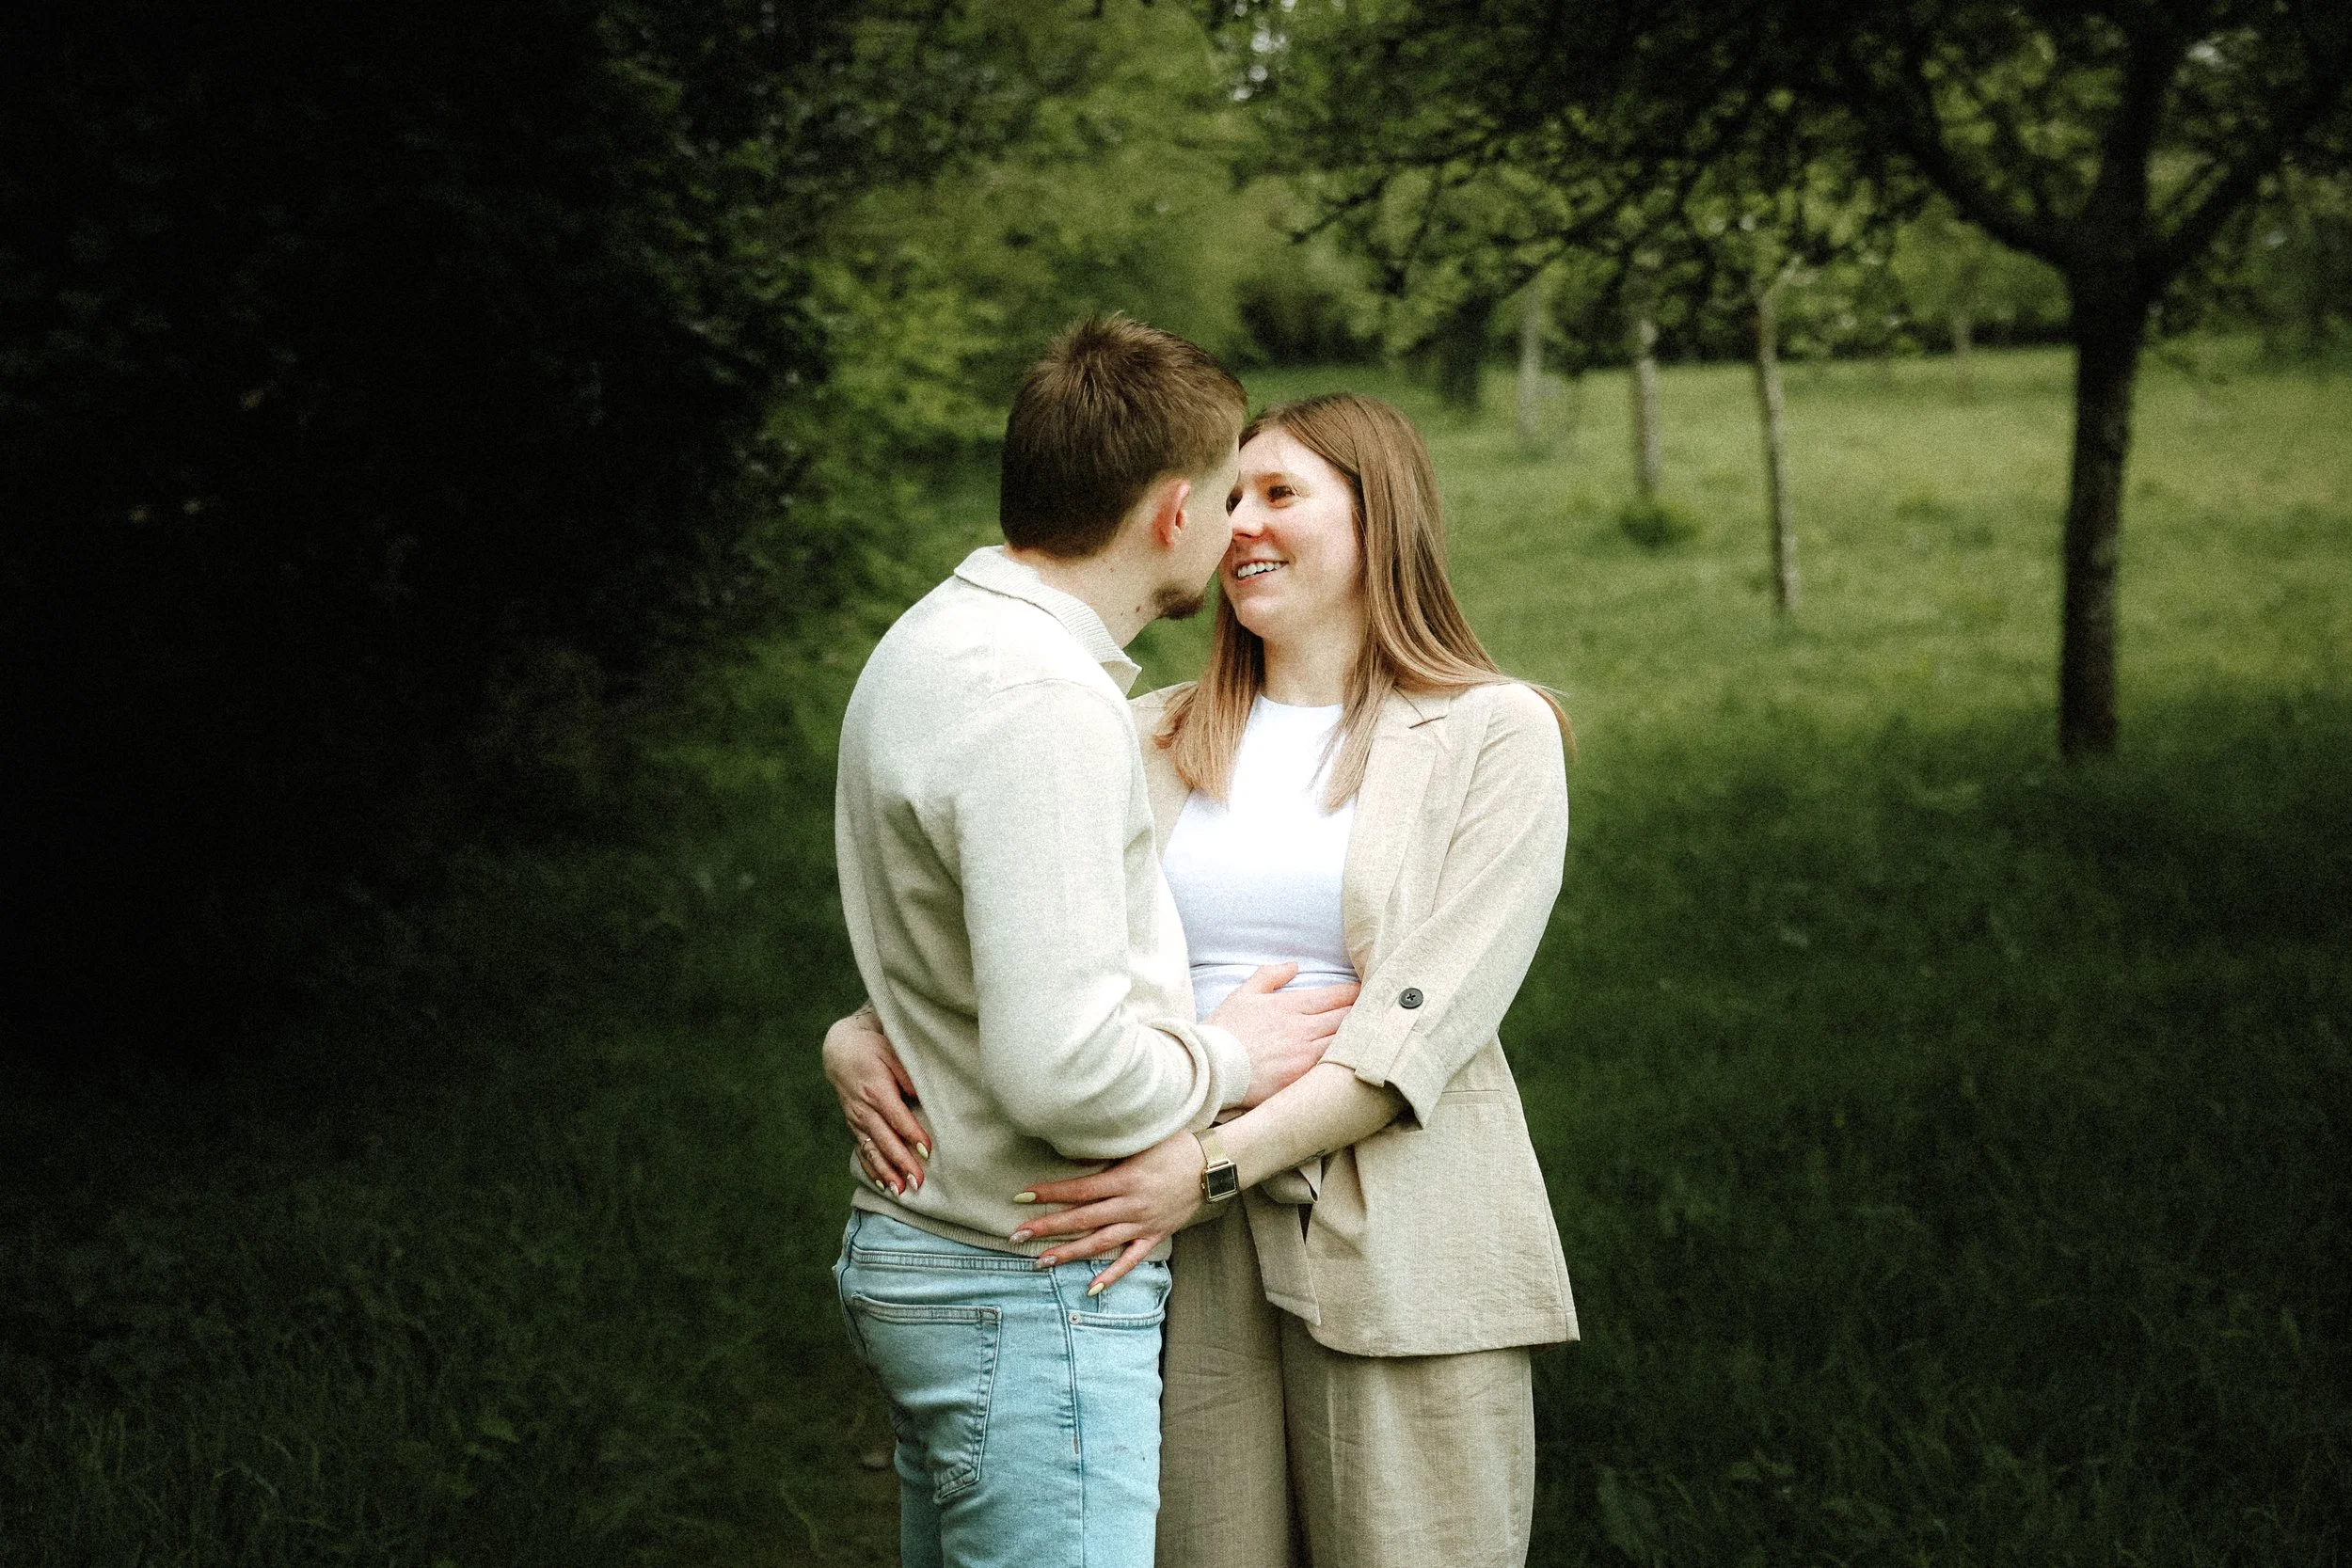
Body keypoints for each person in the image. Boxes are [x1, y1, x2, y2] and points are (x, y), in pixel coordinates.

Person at [833, 391, 1577, 1567]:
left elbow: (1414, 1035)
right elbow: (1029, 941)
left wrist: (1207, 1164)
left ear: (1382, 520)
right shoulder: (1139, 730)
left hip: (1398, 1234)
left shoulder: (1493, 734)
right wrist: (862, 1023)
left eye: (1282, 494)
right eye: (1233, 495)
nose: (1244, 525)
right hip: (1171, 1250)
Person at [826, 315, 1359, 1568]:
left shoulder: (933, 640)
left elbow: (940, 925)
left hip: (931, 1251)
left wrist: (864, 1022)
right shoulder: (1047, 708)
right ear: (1175, 512)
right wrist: (1228, 1055)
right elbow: (1062, 1071)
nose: (1241, 529)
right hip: (1025, 1280)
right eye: (1232, 495)